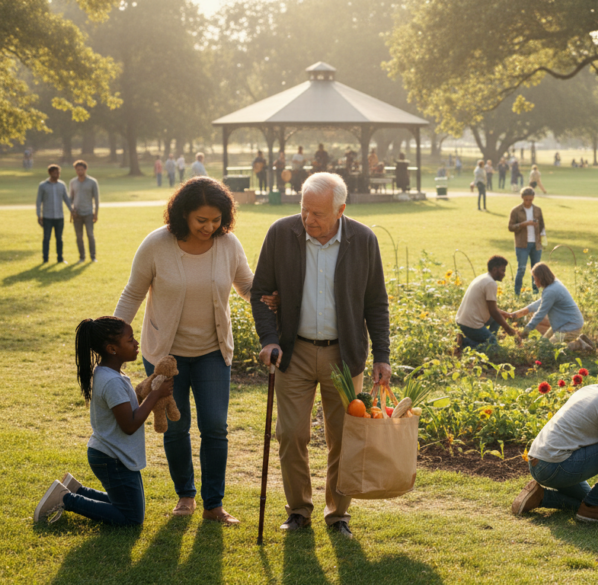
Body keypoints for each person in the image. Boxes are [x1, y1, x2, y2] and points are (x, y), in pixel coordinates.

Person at [250, 172, 391, 538]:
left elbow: (376, 303)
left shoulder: (363, 240)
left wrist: (382, 355)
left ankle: (338, 514)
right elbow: (260, 292)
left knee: (344, 438)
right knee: (291, 434)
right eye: (304, 210)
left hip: (344, 358)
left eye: (318, 214)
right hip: (293, 352)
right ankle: (298, 510)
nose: (308, 220)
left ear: (341, 209)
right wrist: (269, 339)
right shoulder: (282, 233)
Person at [114, 177, 253, 526]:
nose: (209, 227)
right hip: (165, 353)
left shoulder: (228, 244)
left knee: (215, 427)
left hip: (211, 352)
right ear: (183, 215)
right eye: (201, 220)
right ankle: (185, 495)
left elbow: (248, 287)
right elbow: (133, 294)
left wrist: (272, 300)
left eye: (216, 219)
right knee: (176, 428)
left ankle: (214, 504)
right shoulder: (157, 245)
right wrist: (111, 341)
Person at [33, 317, 174, 526]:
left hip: (111, 454)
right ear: (112, 349)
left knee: (127, 505)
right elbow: (129, 425)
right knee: (132, 518)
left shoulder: (109, 373)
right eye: (130, 340)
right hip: (112, 458)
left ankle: (76, 490)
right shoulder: (111, 382)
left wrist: (146, 393)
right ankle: (65, 499)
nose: (136, 343)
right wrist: (155, 395)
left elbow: (129, 408)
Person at [511, 352, 598, 522]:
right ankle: (593, 508)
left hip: (539, 463)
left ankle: (542, 497)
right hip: (555, 467)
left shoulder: (591, 390)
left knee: (586, 499)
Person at [509, 263, 591, 351]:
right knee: (543, 344)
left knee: (550, 348)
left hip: (570, 328)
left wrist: (526, 331)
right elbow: (538, 304)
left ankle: (578, 344)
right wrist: (516, 314)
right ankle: (579, 340)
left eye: (535, 279)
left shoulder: (551, 291)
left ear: (541, 278)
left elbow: (540, 314)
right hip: (563, 324)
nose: (534, 282)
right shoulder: (554, 285)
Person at [455, 256, 520, 348]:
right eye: (502, 270)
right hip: (471, 325)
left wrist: (505, 314)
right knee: (493, 347)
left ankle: (489, 337)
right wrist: (509, 329)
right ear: (494, 269)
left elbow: (492, 309)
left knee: (500, 317)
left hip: (463, 321)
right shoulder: (490, 283)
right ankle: (465, 343)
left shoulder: (483, 277)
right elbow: (493, 311)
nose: (504, 274)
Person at [508, 187, 545, 295]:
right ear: (522, 198)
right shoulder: (516, 210)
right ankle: (517, 292)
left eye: (530, 199)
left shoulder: (538, 210)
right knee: (522, 269)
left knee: (536, 270)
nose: (528, 202)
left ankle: (536, 292)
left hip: (536, 244)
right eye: (526, 200)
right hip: (522, 244)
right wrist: (524, 224)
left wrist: (541, 234)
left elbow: (542, 226)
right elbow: (510, 227)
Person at [36, 164, 72, 264]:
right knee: (46, 238)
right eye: (55, 172)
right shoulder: (43, 186)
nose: (57, 174)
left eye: (58, 172)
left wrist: (72, 210)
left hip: (59, 217)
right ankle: (45, 258)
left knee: (59, 239)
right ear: (50, 173)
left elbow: (66, 199)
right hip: (47, 216)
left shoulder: (62, 185)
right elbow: (39, 201)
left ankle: (60, 258)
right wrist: (39, 215)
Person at [69, 160, 100, 264]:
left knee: (90, 235)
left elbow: (96, 199)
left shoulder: (92, 182)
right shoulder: (73, 182)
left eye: (81, 169)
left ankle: (93, 256)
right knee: (78, 236)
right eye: (77, 169)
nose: (79, 171)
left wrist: (96, 213)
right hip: (77, 214)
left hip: (88, 213)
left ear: (85, 169)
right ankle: (82, 257)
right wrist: (71, 210)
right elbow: (71, 198)